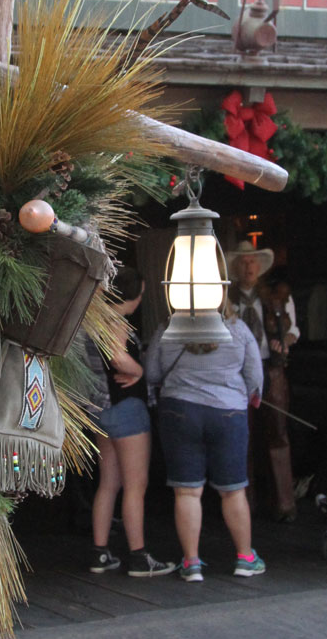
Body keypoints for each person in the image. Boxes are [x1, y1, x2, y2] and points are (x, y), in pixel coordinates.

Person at [145, 300, 264, 582]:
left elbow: (151, 373)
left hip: (179, 411)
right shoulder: (239, 330)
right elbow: (255, 379)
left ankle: (192, 563)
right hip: (229, 413)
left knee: (187, 492)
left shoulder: (167, 329)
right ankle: (245, 558)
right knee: (234, 490)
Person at [86, 267, 175, 578]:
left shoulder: (92, 319)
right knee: (136, 485)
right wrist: (137, 371)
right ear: (136, 295)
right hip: (126, 408)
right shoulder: (115, 321)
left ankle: (100, 552)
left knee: (108, 483)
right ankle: (138, 555)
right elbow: (117, 357)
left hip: (101, 409)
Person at [227, 243, 300, 521]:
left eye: (252, 262)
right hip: (236, 373)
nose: (248, 267)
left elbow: (293, 330)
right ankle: (244, 504)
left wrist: (284, 342)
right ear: (236, 267)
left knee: (278, 433)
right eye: (243, 263)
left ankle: (284, 504)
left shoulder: (277, 297)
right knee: (240, 435)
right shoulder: (224, 297)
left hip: (271, 370)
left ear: (259, 266)